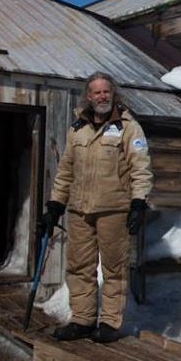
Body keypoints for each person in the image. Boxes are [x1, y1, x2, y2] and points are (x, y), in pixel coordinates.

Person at [38, 71, 152, 343]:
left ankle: (111, 323)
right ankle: (82, 320)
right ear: (88, 96)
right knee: (79, 267)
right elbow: (66, 170)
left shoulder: (129, 127)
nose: (102, 96)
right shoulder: (78, 128)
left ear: (113, 94)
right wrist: (55, 203)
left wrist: (138, 202)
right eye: (96, 92)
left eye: (106, 91)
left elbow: (141, 168)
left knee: (113, 268)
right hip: (79, 210)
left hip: (113, 209)